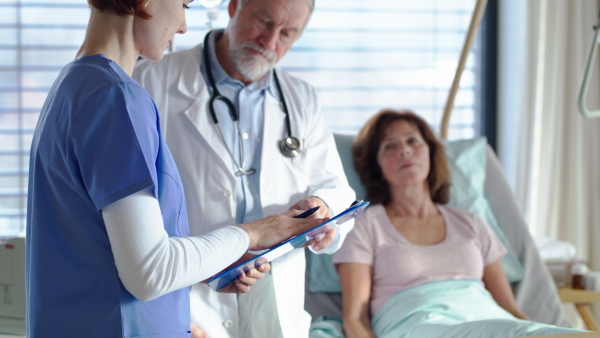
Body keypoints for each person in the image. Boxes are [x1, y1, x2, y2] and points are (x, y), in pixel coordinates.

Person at [25, 0, 328, 336]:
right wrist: (256, 232)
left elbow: (101, 248)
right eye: (184, 4)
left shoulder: (75, 83)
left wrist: (206, 264)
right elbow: (150, 272)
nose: (183, 25)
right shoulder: (116, 97)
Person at [132, 0, 355, 336]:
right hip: (190, 295)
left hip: (276, 286)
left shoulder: (302, 98)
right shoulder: (152, 80)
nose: (270, 40)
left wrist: (324, 208)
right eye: (263, 21)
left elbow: (335, 186)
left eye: (288, 33)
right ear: (234, 6)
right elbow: (131, 225)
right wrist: (165, 319)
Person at [332, 109, 584, 338]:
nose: (404, 150)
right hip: (417, 326)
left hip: (490, 322)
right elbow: (355, 319)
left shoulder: (471, 223)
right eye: (389, 146)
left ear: (430, 152)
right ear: (376, 165)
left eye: (412, 141)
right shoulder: (365, 226)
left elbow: (511, 311)